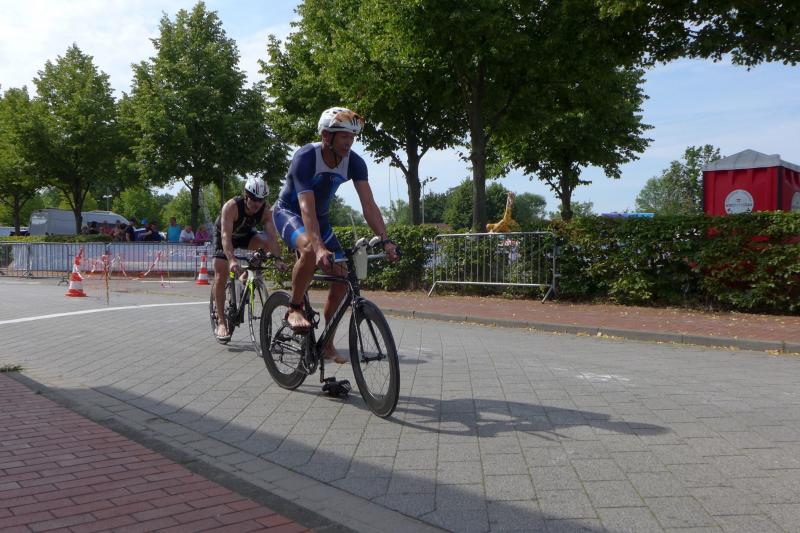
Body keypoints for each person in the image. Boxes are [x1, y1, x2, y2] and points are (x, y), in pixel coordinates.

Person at [272, 107, 398, 363]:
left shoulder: (355, 162)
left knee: (342, 277)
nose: (349, 142)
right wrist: (319, 247)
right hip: (290, 213)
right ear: (326, 136)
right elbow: (306, 208)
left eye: (352, 137)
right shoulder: (306, 157)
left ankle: (327, 343)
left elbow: (369, 205)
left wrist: (386, 240)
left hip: (320, 219)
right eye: (344, 136)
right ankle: (294, 308)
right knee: (309, 249)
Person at [212, 177, 286, 341]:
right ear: (246, 195)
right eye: (253, 199)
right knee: (220, 275)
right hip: (224, 237)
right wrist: (232, 260)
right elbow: (225, 237)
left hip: (245, 235)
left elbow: (272, 238)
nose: (256, 203)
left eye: (260, 200)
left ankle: (250, 273)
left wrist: (278, 259)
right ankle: (222, 322)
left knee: (265, 245)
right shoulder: (231, 207)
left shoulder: (265, 211)